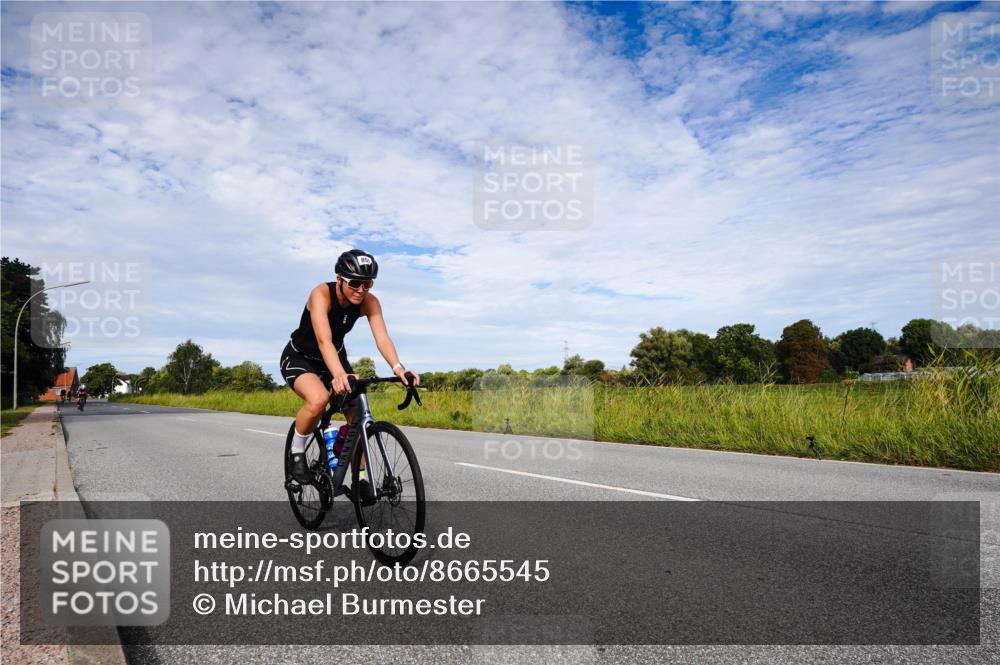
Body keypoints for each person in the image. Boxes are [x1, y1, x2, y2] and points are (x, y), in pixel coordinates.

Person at [279, 249, 420, 497]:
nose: (361, 289)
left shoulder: (370, 302)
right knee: (319, 399)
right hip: (301, 357)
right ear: (339, 278)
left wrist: (399, 369)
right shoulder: (321, 294)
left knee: (359, 415)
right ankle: (297, 452)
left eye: (368, 283)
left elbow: (382, 338)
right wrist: (338, 374)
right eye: (355, 283)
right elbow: (324, 340)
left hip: (335, 357)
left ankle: (360, 477)